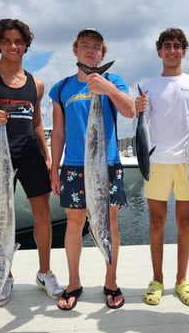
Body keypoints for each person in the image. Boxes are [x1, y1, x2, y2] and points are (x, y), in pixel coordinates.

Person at [0, 19, 63, 306]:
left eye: (18, 41)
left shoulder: (36, 84)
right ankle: (4, 276)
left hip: (30, 154)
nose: (13, 46)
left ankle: (44, 272)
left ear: (26, 45)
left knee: (42, 214)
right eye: (7, 41)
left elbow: (37, 124)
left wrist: (47, 158)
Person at [49, 28, 135, 310]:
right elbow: (58, 132)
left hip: (107, 164)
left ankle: (111, 281)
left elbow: (129, 111)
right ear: (75, 50)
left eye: (96, 47)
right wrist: (54, 168)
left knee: (110, 223)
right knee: (74, 224)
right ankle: (73, 283)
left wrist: (105, 88)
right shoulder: (62, 88)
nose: (90, 51)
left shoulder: (115, 80)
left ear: (103, 54)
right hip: (74, 165)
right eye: (84, 46)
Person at [134, 27, 189, 306]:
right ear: (159, 52)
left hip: (188, 161)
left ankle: (182, 280)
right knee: (156, 222)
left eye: (177, 46)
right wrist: (138, 108)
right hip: (156, 162)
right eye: (167, 46)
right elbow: (140, 124)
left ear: (183, 51)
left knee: (185, 222)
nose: (172, 51)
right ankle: (157, 279)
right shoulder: (148, 85)